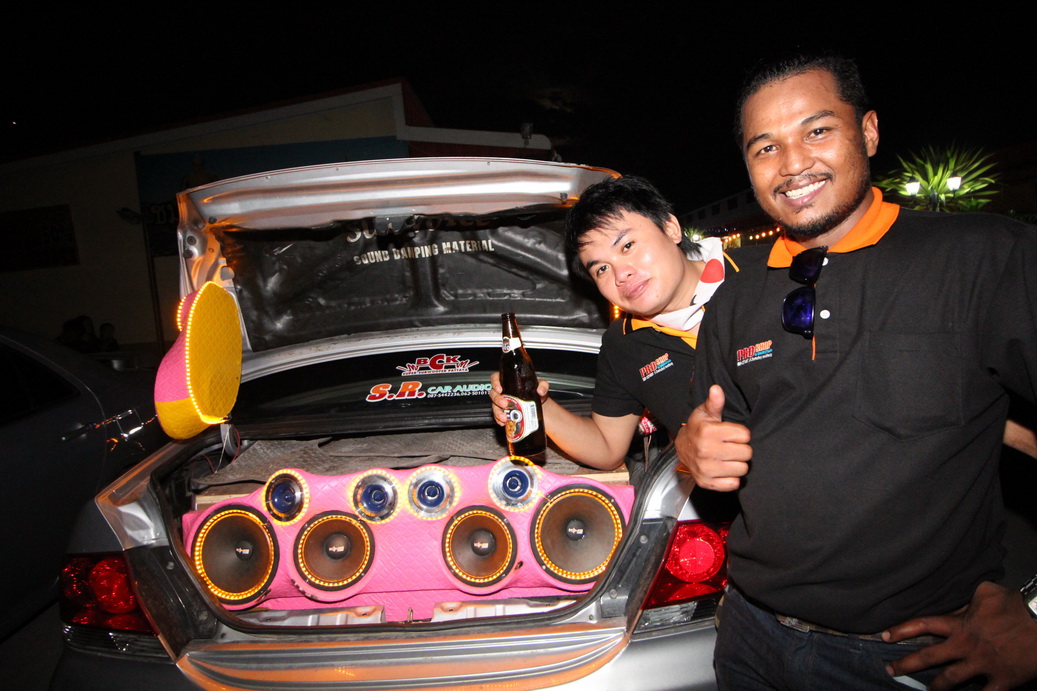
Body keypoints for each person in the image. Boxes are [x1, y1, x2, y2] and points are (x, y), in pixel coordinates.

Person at [677, 54, 1037, 689]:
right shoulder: (733, 299)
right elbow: (715, 442)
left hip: (906, 657)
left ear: (868, 132)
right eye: (766, 147)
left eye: (817, 130)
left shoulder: (987, 257)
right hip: (748, 636)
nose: (792, 164)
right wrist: (691, 452)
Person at [489, 175, 734, 470]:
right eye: (602, 268)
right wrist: (535, 402)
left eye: (627, 245)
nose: (621, 274)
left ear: (670, 227)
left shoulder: (767, 277)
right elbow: (606, 447)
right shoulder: (623, 344)